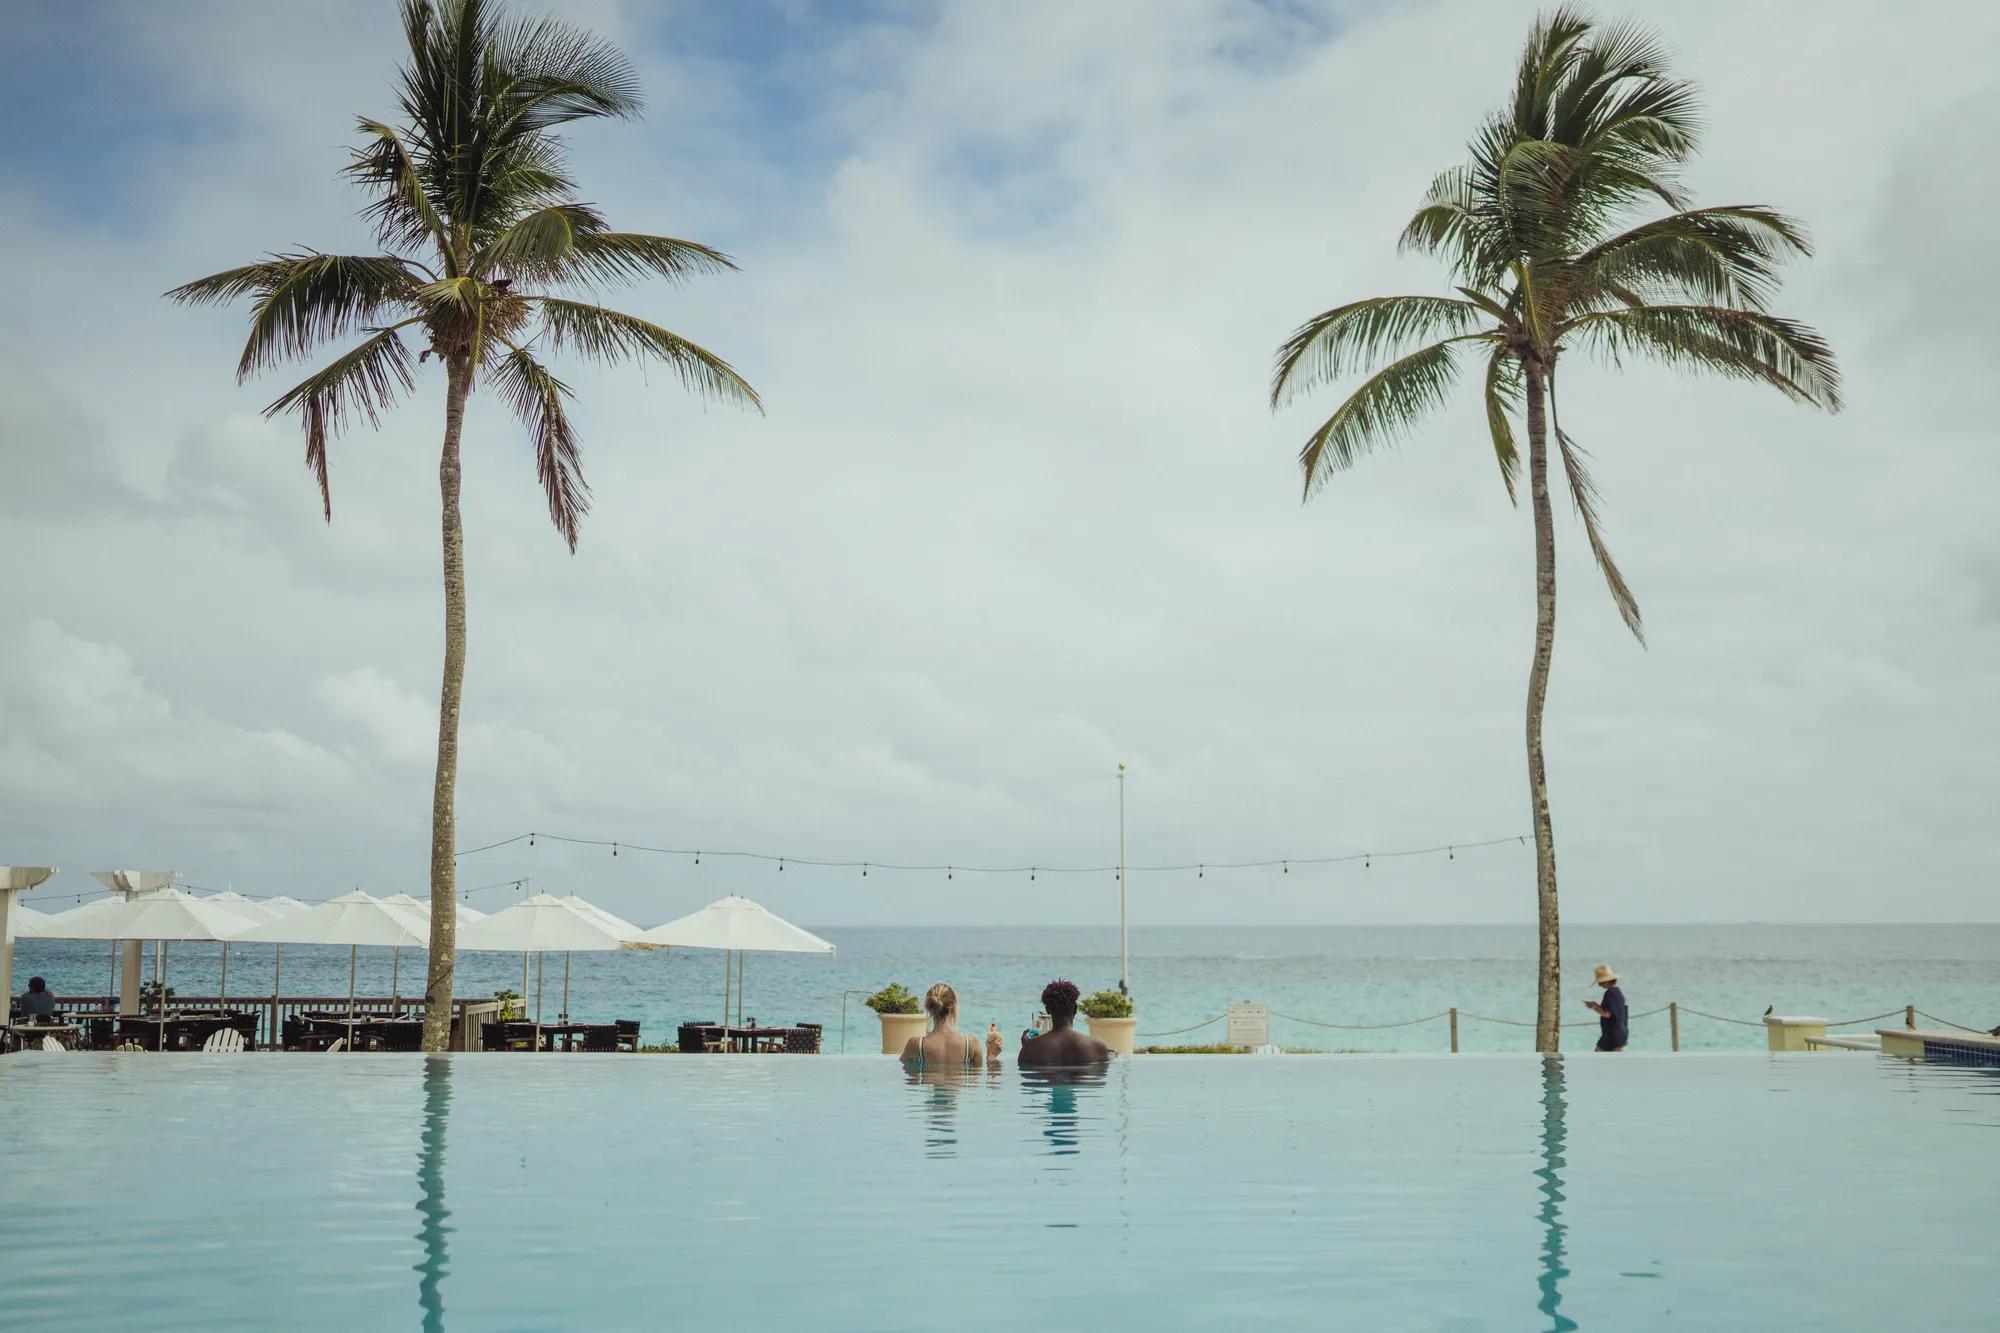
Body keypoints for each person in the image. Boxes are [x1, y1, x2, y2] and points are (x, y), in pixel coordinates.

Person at [902, 983, 1000, 1070]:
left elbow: (906, 1076)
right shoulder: (971, 1043)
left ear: (930, 1009)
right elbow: (976, 1080)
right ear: (953, 1007)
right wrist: (991, 1057)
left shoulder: (916, 1044)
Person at [1017, 979, 1113, 1067]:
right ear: (1075, 1008)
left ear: (1047, 1009)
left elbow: (1028, 1077)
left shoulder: (1030, 1048)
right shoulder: (1097, 1046)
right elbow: (1101, 1077)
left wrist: (1029, 1047)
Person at [1583, 964, 1628, 1052]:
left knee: (1597, 1055)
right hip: (1621, 1034)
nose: (1599, 985)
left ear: (1606, 981)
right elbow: (1614, 1012)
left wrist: (1593, 1007)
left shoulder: (1609, 993)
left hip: (1611, 1036)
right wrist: (1596, 1005)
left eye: (1600, 982)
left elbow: (1607, 1014)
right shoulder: (1618, 992)